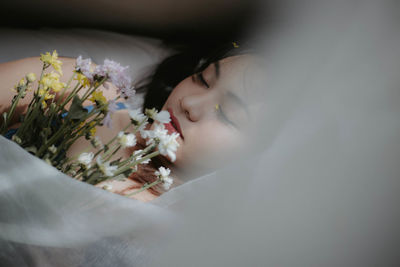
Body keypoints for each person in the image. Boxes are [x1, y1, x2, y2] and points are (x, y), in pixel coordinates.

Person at [0, 41, 263, 203]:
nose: (190, 104)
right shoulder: (90, 89)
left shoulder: (166, 235)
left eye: (228, 113)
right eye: (202, 79)